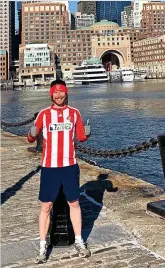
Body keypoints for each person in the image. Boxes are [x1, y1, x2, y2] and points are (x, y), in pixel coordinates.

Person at [27, 79, 91, 264]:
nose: (59, 95)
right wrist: (31, 133)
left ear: (66, 92)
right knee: (46, 206)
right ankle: (42, 246)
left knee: (74, 203)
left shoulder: (75, 113)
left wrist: (87, 133)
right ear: (51, 94)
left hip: (70, 166)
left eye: (61, 92)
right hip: (49, 167)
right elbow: (31, 138)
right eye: (55, 92)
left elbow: (80, 137)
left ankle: (79, 241)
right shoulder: (43, 115)